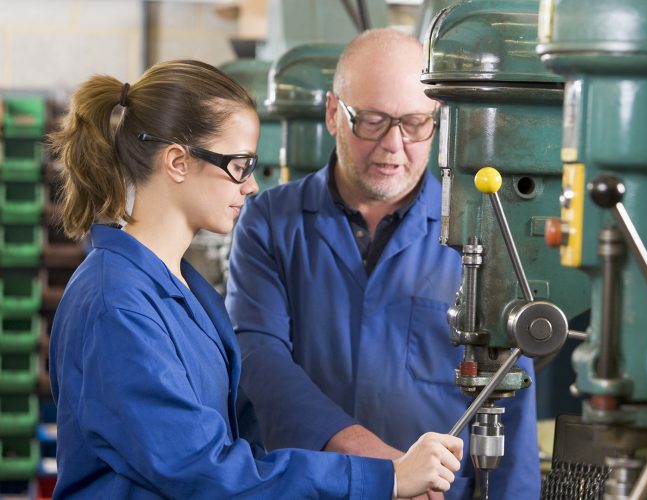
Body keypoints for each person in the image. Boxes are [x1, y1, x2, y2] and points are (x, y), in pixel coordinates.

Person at [47, 59, 463, 499]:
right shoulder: (117, 304)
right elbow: (203, 471)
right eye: (239, 165)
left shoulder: (186, 291)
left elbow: (240, 452)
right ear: (177, 162)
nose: (249, 186)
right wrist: (386, 479)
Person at [226, 29, 540, 499]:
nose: (394, 145)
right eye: (371, 121)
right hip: (311, 488)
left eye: (414, 123)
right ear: (334, 113)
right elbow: (259, 359)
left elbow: (512, 395)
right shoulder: (269, 222)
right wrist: (386, 465)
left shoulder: (484, 231)